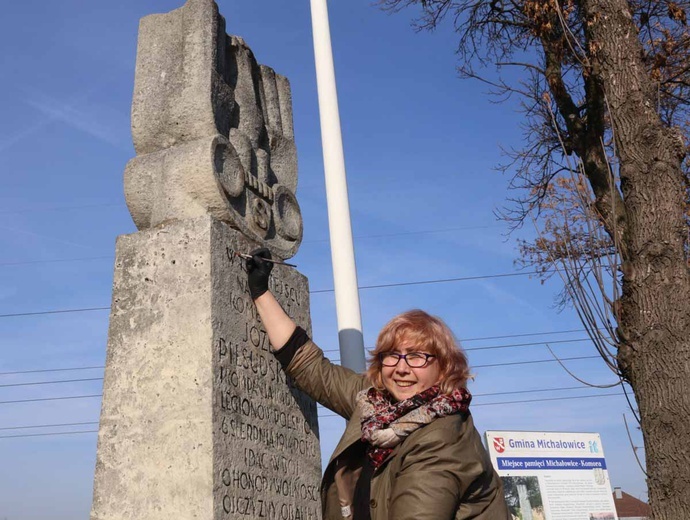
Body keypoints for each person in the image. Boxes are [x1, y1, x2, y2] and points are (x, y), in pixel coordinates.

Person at [246, 248, 509, 520]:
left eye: (418, 357)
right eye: (392, 355)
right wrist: (260, 291)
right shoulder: (375, 406)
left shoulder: (443, 437)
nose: (402, 368)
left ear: (444, 367)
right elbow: (310, 367)